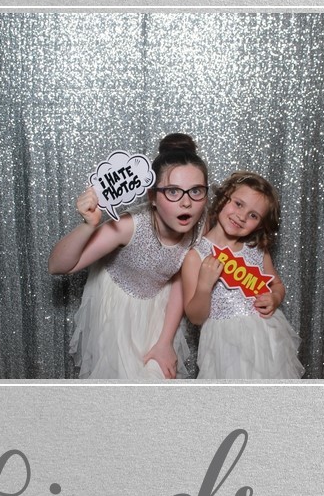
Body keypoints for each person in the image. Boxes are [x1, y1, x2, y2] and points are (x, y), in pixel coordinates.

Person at [49, 133, 209, 382]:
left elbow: (180, 279)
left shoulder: (200, 228)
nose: (186, 202)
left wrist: (165, 342)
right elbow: (58, 266)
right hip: (118, 310)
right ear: (152, 197)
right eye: (173, 191)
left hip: (162, 308)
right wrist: (88, 226)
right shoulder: (128, 226)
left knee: (158, 381)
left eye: (196, 191)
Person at [182, 172, 303, 382]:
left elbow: (277, 284)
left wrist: (275, 297)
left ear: (260, 225)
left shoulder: (256, 250)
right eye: (238, 204)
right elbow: (195, 317)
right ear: (223, 198)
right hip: (225, 349)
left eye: (253, 215)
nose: (242, 216)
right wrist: (204, 286)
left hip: (267, 343)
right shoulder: (196, 255)